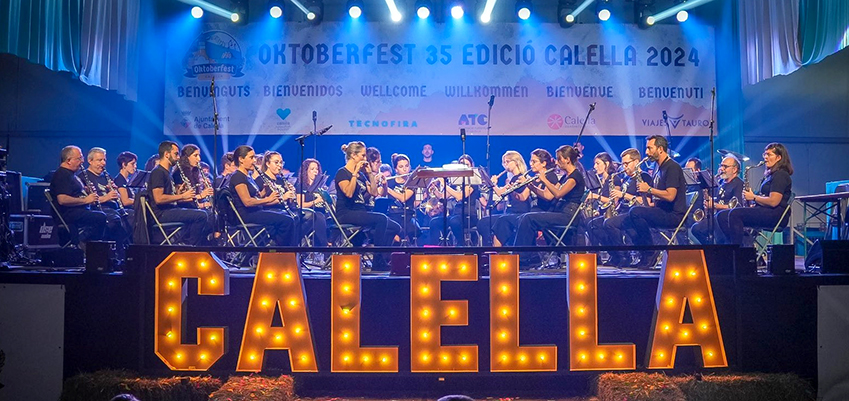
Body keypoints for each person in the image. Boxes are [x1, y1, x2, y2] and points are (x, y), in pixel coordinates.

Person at [623, 135, 687, 268]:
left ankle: (650, 252)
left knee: (635, 212)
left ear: (660, 149)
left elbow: (670, 196)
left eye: (649, 148)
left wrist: (649, 189)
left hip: (673, 215)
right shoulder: (658, 168)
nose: (646, 152)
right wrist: (644, 195)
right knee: (627, 219)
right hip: (660, 211)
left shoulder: (672, 167)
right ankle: (643, 254)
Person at [334, 141, 401, 268]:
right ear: (353, 155)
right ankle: (378, 261)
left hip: (360, 211)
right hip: (346, 213)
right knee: (381, 219)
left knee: (393, 227)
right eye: (363, 155)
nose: (365, 159)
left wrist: (370, 174)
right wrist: (354, 173)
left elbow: (374, 193)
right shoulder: (342, 173)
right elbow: (348, 193)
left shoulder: (361, 175)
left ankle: (383, 257)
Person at [717, 143, 793, 245]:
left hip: (775, 215)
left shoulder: (781, 175)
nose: (765, 157)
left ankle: (738, 249)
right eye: (765, 154)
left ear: (779, 157)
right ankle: (741, 245)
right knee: (721, 215)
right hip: (766, 211)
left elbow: (774, 201)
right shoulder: (771, 175)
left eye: (769, 154)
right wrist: (754, 202)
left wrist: (754, 197)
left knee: (735, 214)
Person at [513, 145, 586, 251]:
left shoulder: (575, 176)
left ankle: (523, 256)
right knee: (523, 217)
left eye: (559, 159)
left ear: (567, 160)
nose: (556, 162)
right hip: (560, 212)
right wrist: (531, 187)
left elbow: (558, 194)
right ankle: (525, 254)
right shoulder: (565, 177)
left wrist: (544, 180)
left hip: (568, 216)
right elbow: (548, 194)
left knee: (529, 218)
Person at [227, 146, 296, 247]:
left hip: (255, 211)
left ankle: (276, 246)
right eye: (251, 158)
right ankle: (278, 250)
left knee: (289, 217)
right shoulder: (238, 177)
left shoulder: (248, 176)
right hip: (247, 215)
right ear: (241, 159)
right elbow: (247, 202)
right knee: (286, 221)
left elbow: (256, 196)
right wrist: (268, 199)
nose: (254, 161)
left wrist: (264, 191)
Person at [597, 148, 652, 267]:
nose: (624, 167)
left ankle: (624, 255)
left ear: (636, 162)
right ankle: (615, 255)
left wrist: (623, 195)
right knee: (595, 224)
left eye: (627, 163)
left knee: (610, 224)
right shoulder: (627, 179)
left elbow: (646, 201)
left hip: (636, 214)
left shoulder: (644, 177)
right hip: (623, 212)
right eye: (623, 164)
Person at [148, 141, 211, 245]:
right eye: (176, 154)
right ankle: (188, 246)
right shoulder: (158, 172)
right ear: (167, 154)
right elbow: (158, 199)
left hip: (169, 210)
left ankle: (190, 243)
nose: (178, 157)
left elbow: (169, 196)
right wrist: (182, 196)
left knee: (205, 214)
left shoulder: (167, 173)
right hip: (161, 214)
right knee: (201, 216)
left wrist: (178, 192)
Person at [262, 151, 328, 247]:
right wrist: (284, 197)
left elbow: (289, 201)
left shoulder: (280, 180)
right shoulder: (262, 179)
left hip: (285, 210)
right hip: (272, 211)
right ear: (268, 164)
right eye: (276, 162)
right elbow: (260, 202)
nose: (280, 166)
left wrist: (291, 195)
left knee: (313, 216)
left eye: (281, 162)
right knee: (308, 216)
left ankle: (290, 244)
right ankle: (288, 244)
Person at [48, 146, 107, 246]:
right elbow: (62, 199)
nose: (82, 161)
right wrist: (86, 200)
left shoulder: (71, 174)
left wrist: (86, 191)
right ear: (69, 160)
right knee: (100, 217)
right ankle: (87, 245)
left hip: (78, 211)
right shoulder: (62, 174)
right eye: (79, 158)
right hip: (68, 214)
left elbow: (74, 193)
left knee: (104, 216)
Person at [477, 151, 531, 246]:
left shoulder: (523, 178)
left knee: (497, 222)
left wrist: (493, 184)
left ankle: (499, 248)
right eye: (504, 162)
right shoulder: (512, 179)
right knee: (483, 222)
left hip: (520, 212)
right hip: (510, 212)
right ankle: (494, 246)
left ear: (516, 162)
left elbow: (503, 193)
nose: (505, 164)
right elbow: (500, 192)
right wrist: (492, 184)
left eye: (508, 161)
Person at [79, 147, 130, 243]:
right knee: (115, 220)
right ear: (90, 161)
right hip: (98, 210)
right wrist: (107, 197)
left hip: (113, 209)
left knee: (133, 217)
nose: (103, 163)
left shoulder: (106, 176)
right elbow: (87, 201)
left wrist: (115, 192)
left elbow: (116, 196)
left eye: (104, 160)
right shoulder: (83, 177)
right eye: (99, 160)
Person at [690, 156, 744, 245]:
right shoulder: (721, 183)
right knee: (696, 229)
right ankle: (711, 249)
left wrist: (715, 205)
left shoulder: (738, 184)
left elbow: (738, 207)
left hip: (727, 219)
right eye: (721, 165)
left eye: (725, 166)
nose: (721, 169)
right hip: (715, 217)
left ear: (734, 169)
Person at [429, 155, 480, 245]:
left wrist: (444, 184)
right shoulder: (456, 182)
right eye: (461, 164)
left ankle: (461, 245)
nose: (464, 166)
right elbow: (443, 197)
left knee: (454, 221)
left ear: (472, 166)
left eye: (467, 164)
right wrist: (434, 190)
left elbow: (460, 196)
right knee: (434, 222)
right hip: (456, 215)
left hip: (468, 216)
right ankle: (435, 248)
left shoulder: (473, 182)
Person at [584, 152, 622, 247]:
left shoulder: (614, 179)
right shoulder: (602, 181)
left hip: (612, 216)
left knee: (592, 224)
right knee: (587, 222)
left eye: (598, 163)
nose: (595, 167)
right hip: (603, 213)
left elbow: (614, 201)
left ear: (607, 164)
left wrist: (596, 196)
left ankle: (609, 249)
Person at [385, 153, 420, 244]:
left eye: (406, 166)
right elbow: (379, 193)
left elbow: (403, 198)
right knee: (388, 230)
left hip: (407, 215)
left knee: (412, 229)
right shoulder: (389, 181)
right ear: (396, 169)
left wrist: (387, 189)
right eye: (401, 166)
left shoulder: (412, 182)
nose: (405, 169)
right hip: (392, 214)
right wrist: (380, 184)